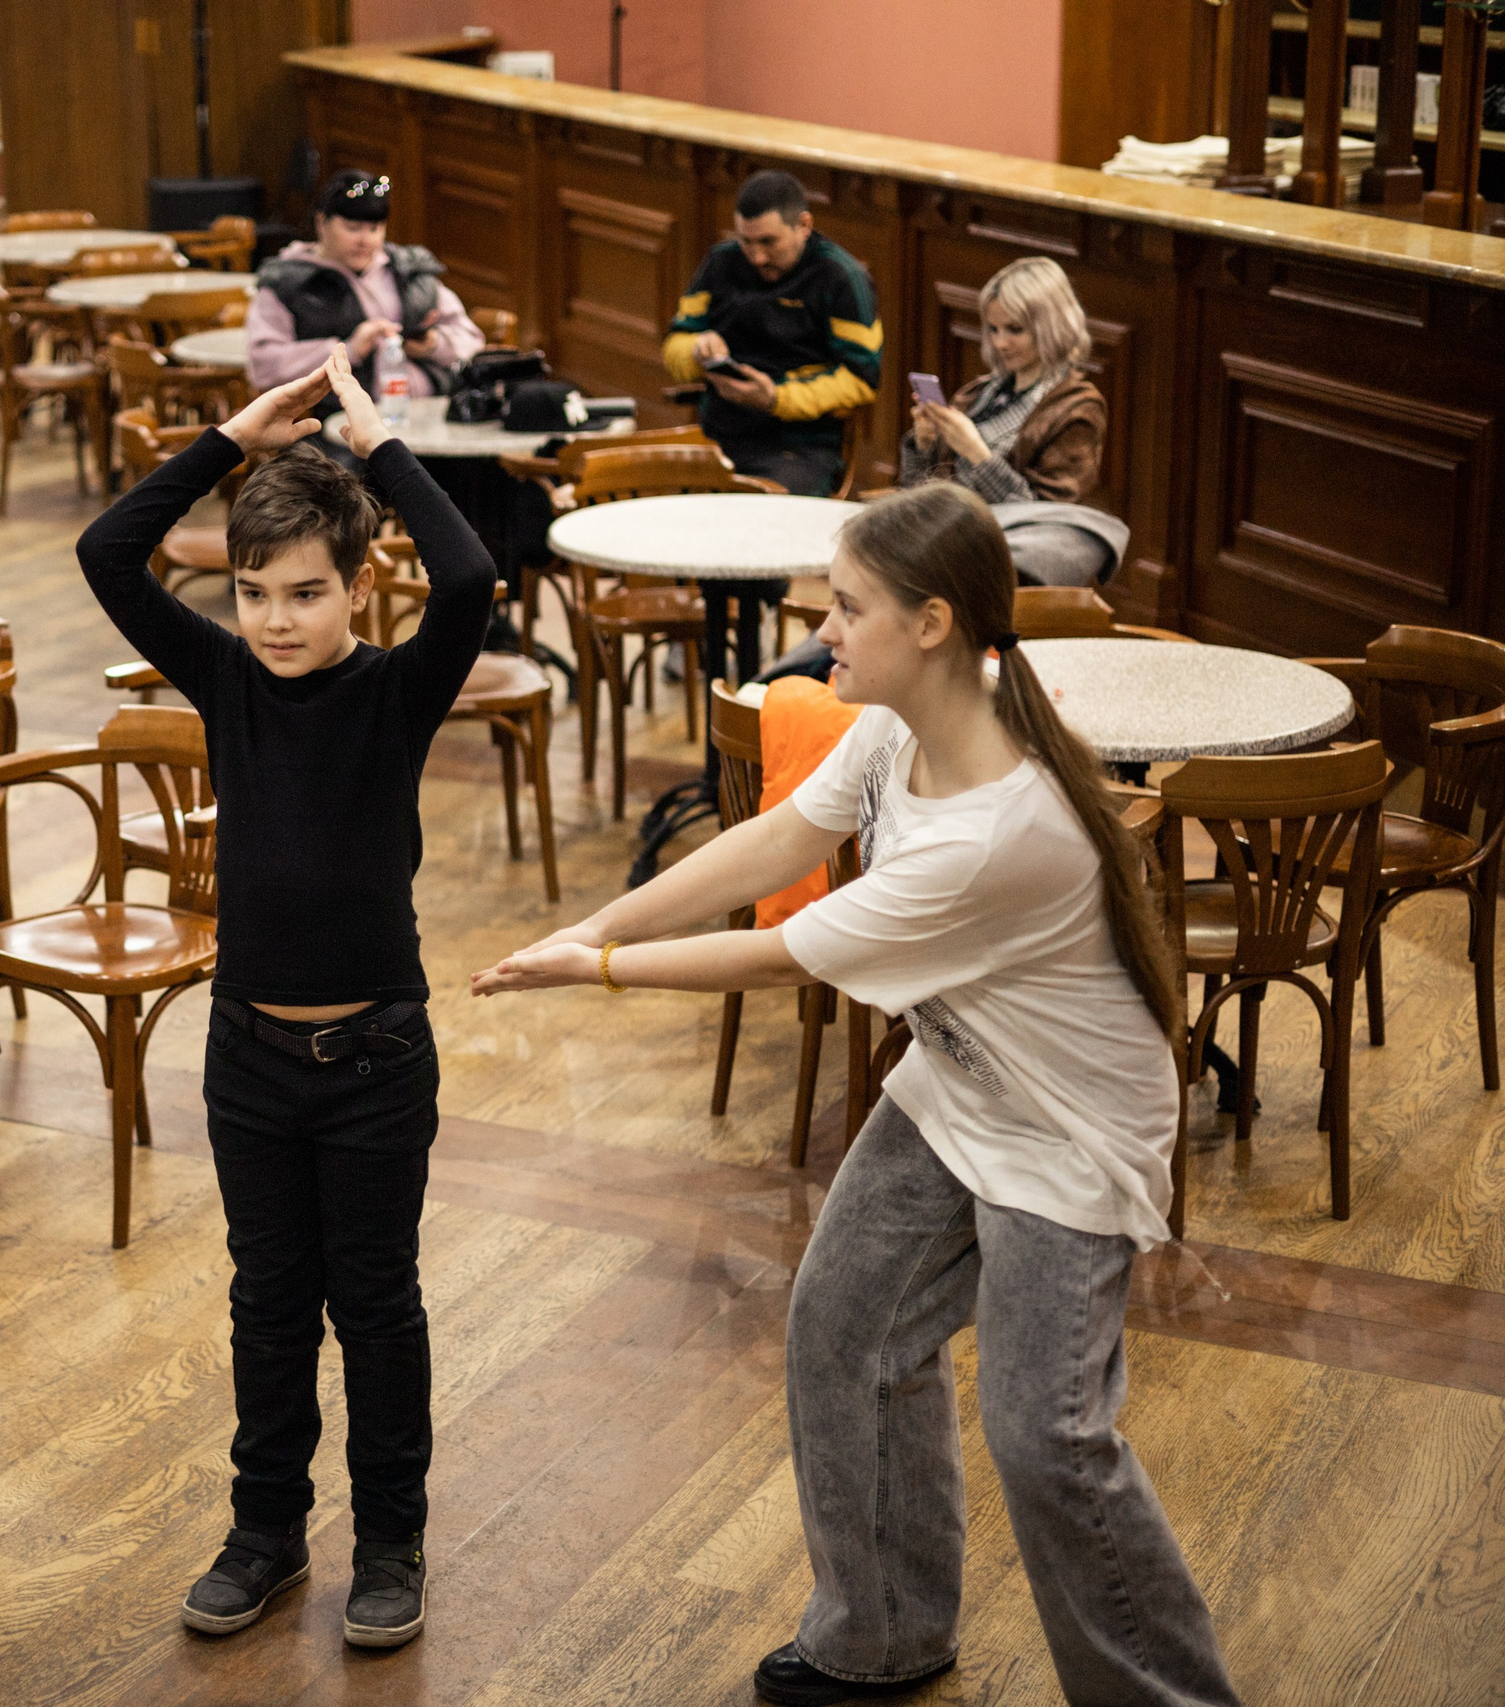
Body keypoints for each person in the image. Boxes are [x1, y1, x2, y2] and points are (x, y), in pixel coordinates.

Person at [471, 484, 1240, 1707]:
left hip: (1065, 1141)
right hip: (956, 1087)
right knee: (844, 1331)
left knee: (1049, 1445)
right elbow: (775, 841)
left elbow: (782, 949)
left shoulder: (992, 833)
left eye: (847, 607)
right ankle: (879, 1636)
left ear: (932, 623)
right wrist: (598, 921)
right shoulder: (900, 730)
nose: (823, 629)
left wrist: (597, 969)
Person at [73, 347, 491, 1651]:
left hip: (373, 1059)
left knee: (374, 1305)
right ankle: (264, 1532)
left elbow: (472, 576)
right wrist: (228, 442)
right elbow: (105, 553)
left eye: (306, 592)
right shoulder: (229, 678)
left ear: (360, 585)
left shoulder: (396, 689)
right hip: (249, 1059)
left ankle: (390, 1540)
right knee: (266, 1301)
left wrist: (379, 449)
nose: (275, 617)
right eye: (255, 591)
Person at [901, 255, 1123, 589]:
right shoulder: (979, 394)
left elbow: (1049, 524)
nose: (1000, 342)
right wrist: (924, 444)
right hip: (938, 546)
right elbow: (915, 491)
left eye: (1014, 329)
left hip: (996, 570)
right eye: (993, 329)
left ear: (1050, 326)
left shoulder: (1077, 408)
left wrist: (978, 455)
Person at [662, 169, 883, 497]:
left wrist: (776, 398)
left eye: (768, 242)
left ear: (804, 226)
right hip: (718, 436)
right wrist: (696, 349)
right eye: (746, 241)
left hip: (800, 447)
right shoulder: (721, 262)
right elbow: (674, 345)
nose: (757, 257)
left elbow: (862, 380)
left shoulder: (840, 277)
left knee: (758, 514)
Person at [246, 170, 483, 406]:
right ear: (321, 223)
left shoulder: (409, 271)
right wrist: (348, 351)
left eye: (375, 229)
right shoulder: (287, 281)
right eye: (352, 228)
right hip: (336, 424)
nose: (365, 240)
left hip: (430, 411)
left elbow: (472, 341)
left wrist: (432, 344)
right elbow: (263, 365)